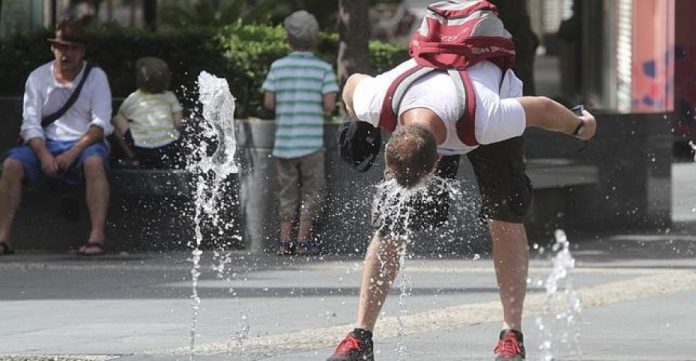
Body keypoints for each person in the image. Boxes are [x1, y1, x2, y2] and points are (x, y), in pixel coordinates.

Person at [326, 11, 597, 361]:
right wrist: (356, 118)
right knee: (390, 221)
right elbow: (352, 84)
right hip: (437, 107)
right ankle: (360, 337)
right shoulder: (378, 101)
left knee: (506, 214)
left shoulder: (488, 118)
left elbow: (543, 109)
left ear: (436, 167)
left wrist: (579, 126)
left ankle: (511, 336)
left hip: (482, 99)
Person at [0, 17, 113, 256]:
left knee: (94, 163)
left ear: (82, 51)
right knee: (11, 165)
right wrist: (43, 154)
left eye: (73, 48)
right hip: (45, 142)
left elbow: (100, 124)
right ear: (53, 47)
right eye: (61, 47)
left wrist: (73, 153)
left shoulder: (96, 77)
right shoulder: (38, 77)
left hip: (84, 142)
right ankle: (3, 237)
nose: (66, 53)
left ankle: (97, 236)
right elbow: (30, 123)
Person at [262, 10, 339, 255]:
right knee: (313, 191)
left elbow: (269, 103)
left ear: (288, 39)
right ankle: (303, 240)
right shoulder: (323, 69)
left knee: (287, 192)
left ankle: (284, 242)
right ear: (316, 39)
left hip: (285, 144)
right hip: (311, 145)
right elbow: (329, 105)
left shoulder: (277, 67)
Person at [111, 57, 185, 169]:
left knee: (117, 119)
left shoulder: (133, 98)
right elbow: (178, 123)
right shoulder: (170, 96)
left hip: (141, 149)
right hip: (168, 148)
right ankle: (172, 160)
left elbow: (122, 116)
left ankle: (132, 157)